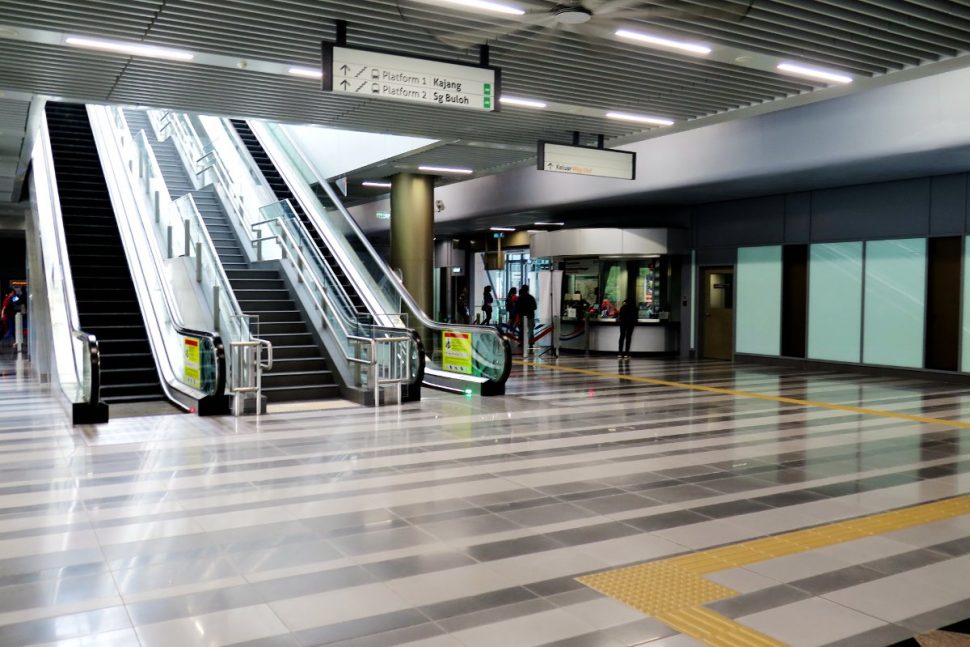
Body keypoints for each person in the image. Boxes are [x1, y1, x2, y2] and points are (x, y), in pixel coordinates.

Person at [516, 284, 537, 357]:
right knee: (531, 330)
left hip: (522, 317)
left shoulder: (520, 298)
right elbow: (535, 307)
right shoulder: (531, 297)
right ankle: (530, 343)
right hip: (530, 316)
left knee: (522, 329)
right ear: (528, 289)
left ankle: (522, 342)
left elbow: (517, 308)